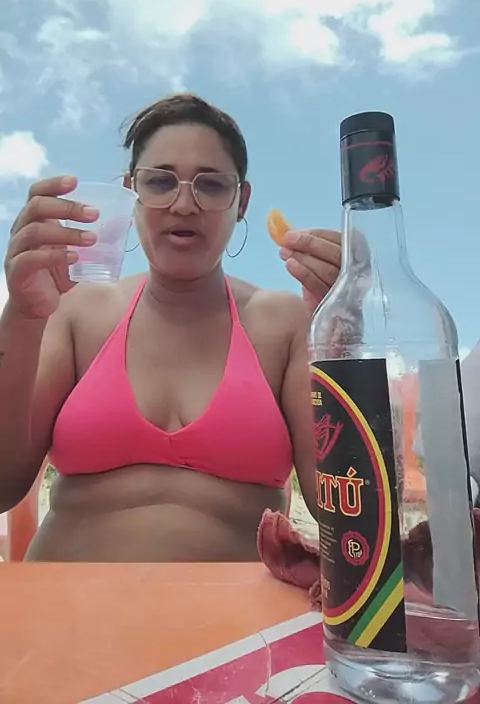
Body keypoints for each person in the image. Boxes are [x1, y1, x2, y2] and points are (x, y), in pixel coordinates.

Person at [0, 93, 341, 562]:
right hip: (63, 605)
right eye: (160, 181)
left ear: (241, 201)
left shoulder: (284, 322)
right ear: (130, 192)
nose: (183, 204)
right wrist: (20, 316)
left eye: (211, 185)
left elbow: (341, 508)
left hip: (239, 612)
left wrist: (348, 331)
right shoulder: (77, 311)